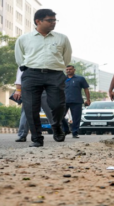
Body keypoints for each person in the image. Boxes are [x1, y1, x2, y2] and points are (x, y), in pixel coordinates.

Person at [15, 9, 72, 147]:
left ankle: (57, 126)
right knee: (31, 107)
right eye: (50, 20)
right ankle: (37, 138)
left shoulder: (62, 38)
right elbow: (20, 59)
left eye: (54, 20)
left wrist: (56, 67)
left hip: (55, 74)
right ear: (38, 21)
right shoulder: (24, 39)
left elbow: (66, 58)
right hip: (31, 75)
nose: (53, 23)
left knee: (58, 105)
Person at [13, 68, 70, 142]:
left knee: (51, 110)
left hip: (47, 87)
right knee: (27, 111)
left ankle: (56, 130)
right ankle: (22, 134)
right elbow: (20, 69)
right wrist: (18, 89)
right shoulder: (27, 58)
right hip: (31, 84)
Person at [64, 65, 91, 138]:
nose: (68, 71)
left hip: (76, 101)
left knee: (76, 118)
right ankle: (65, 129)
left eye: (70, 69)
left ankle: (75, 132)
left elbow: (86, 89)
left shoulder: (80, 79)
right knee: (60, 117)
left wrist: (88, 99)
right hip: (64, 101)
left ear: (74, 70)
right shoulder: (62, 79)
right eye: (67, 69)